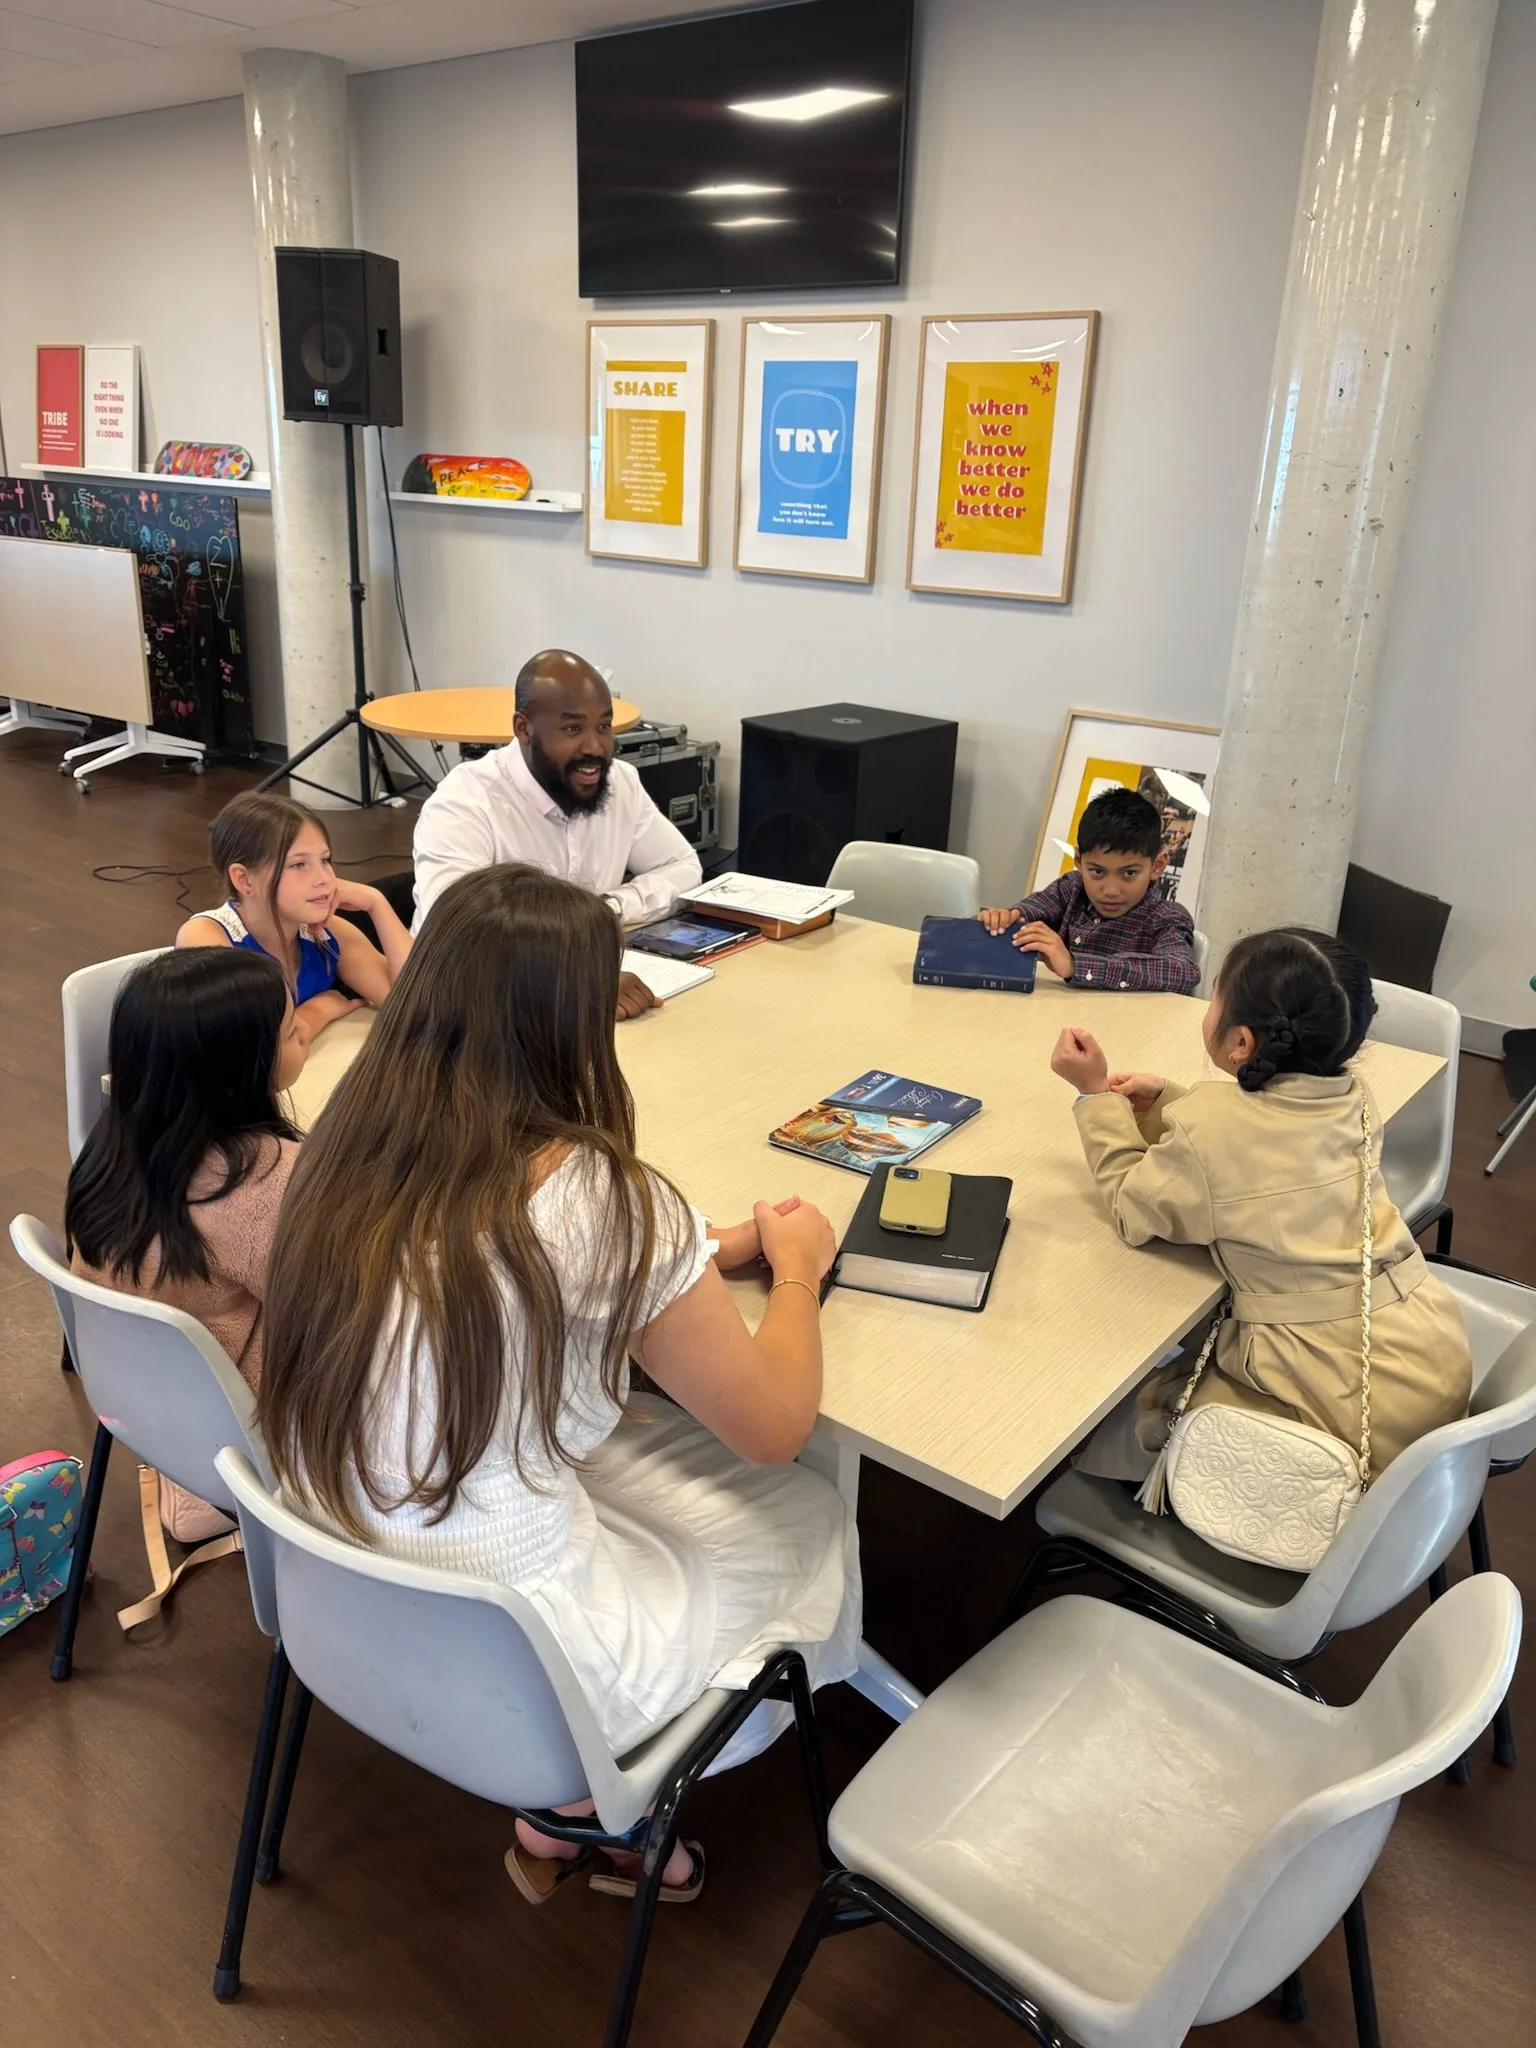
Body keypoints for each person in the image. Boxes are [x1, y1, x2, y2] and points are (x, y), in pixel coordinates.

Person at [257, 863, 860, 1907]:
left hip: (351, 1586)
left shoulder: (350, 1135)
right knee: (804, 1505)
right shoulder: (600, 1194)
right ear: (575, 1022)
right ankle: (606, 1798)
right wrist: (797, 1264)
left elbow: (536, 1255)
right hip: (528, 1628)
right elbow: (773, 1425)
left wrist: (701, 1248)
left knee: (626, 1451)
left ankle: (568, 1801)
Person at [1048, 926, 1471, 1500]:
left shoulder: (1214, 1130)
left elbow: (1132, 1205)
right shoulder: (1352, 1095)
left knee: (1122, 1425)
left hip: (1343, 1407)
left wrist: (1095, 1095)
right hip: (1429, 1355)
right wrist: (1171, 1100)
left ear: (1242, 1043)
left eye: (1215, 996)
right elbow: (1269, 1151)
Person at [66, 949, 305, 1549]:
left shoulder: (106, 1149)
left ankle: (197, 1484)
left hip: (134, 1400)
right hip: (247, 1424)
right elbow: (336, 1313)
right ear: (239, 1069)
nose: (302, 1028)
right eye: (291, 1027)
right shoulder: (265, 1183)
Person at [410, 649, 703, 1020]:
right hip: (468, 1010)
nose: (594, 748)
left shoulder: (620, 783)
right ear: (523, 728)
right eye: (572, 729)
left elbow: (682, 866)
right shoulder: (465, 803)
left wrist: (607, 910)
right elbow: (461, 935)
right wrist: (580, 985)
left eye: (603, 727)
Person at [177, 791, 412, 1060]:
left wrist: (376, 903)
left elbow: (416, 1002)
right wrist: (321, 1008)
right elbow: (267, 1055)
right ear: (244, 880)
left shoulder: (327, 931)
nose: (324, 878)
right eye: (299, 864)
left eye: (325, 860)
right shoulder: (206, 938)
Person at [980, 785, 1199, 993]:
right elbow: (1030, 911)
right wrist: (1005, 920)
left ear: (1157, 865)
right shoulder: (1072, 888)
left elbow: (1181, 971)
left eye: (1129, 873)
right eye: (1097, 871)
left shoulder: (1166, 917)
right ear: (1078, 860)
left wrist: (1075, 966)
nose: (1111, 890)